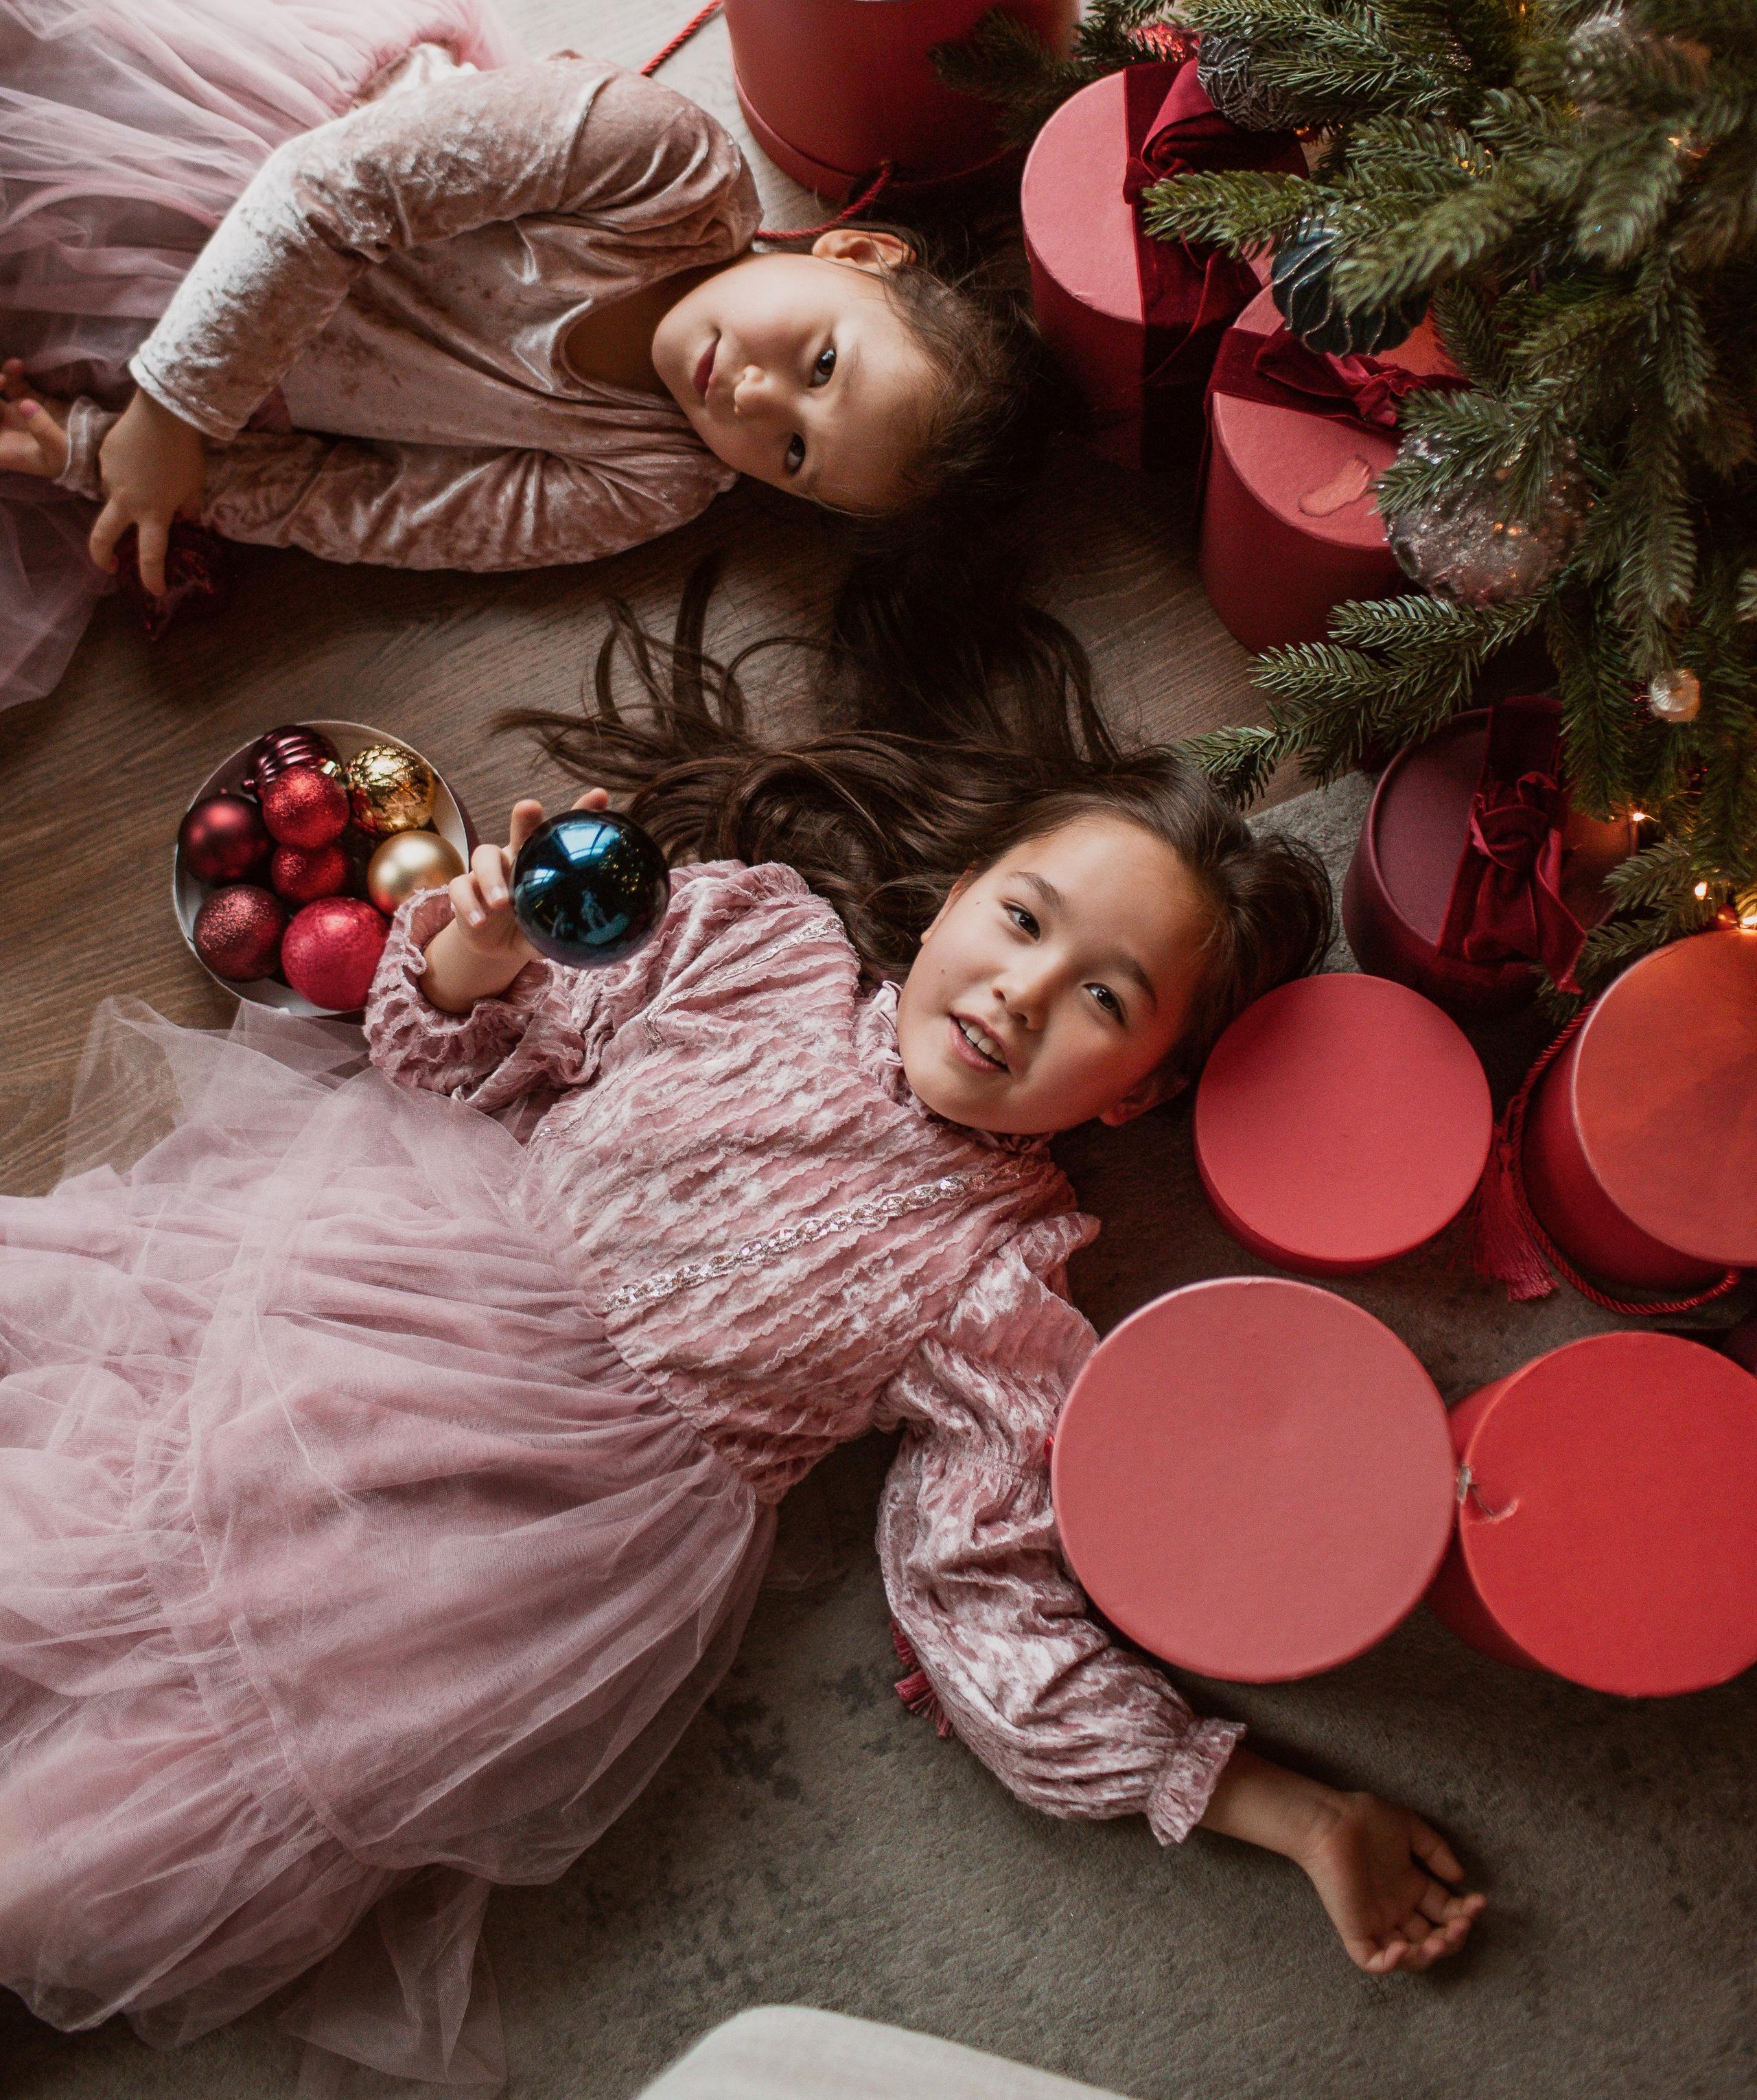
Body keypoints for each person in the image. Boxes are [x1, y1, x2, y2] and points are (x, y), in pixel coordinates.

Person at [0, 586, 1484, 2092]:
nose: (1022, 991)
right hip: (371, 1294)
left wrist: (1282, 1808)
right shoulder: (747, 940)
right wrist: (477, 951)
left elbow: (979, 1610)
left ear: (1133, 1096)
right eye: (1022, 920)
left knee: (100, 1827)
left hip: (492, 1554)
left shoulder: (1002, 1293)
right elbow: (439, 1061)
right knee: (58, 1496)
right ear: (961, 890)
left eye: (1101, 998)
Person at [0, 0, 1062, 709]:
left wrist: (98, 451)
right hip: (244, 126)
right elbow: (331, 190)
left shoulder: (641, 485)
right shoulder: (660, 165)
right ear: (860, 251)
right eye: (821, 366)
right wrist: (174, 408)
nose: (749, 396)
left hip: (166, 340)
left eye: (790, 453)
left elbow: (363, 506)